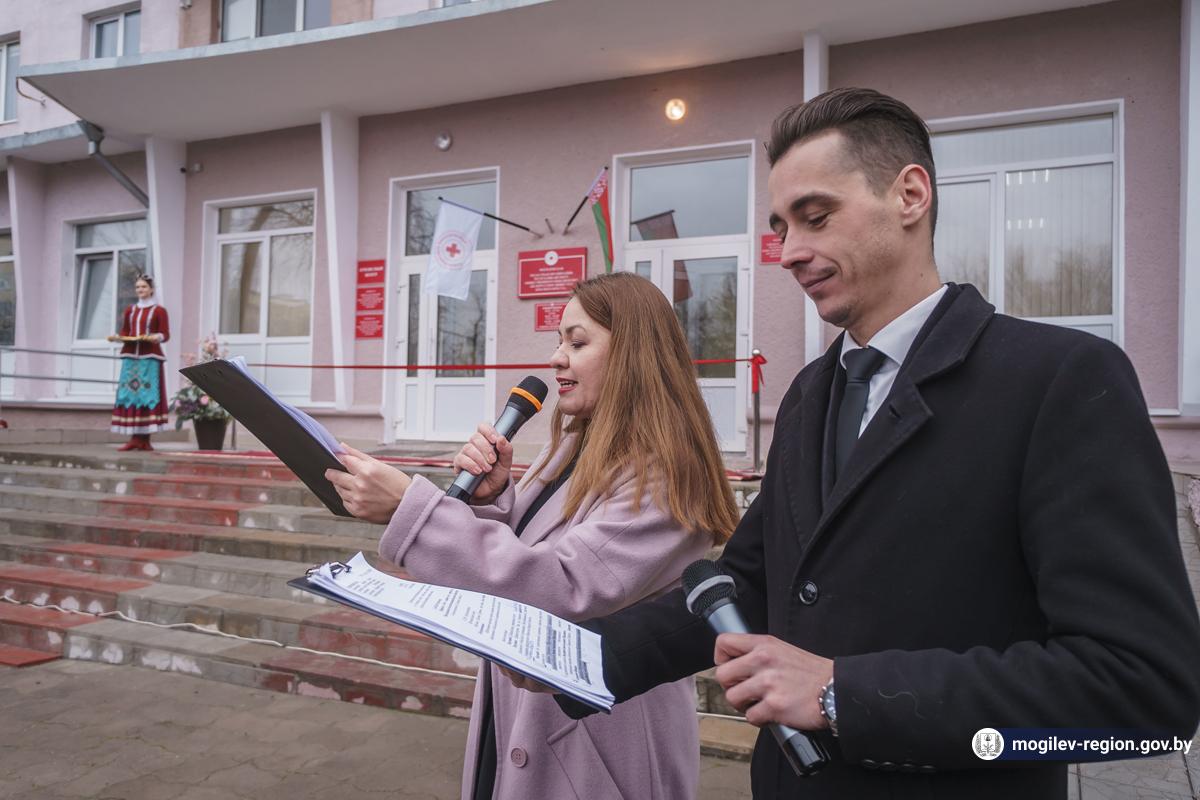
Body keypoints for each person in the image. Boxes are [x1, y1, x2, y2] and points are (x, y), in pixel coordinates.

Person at [543, 88, 1200, 799]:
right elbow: (750, 586)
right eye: (781, 227)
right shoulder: (808, 395)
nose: (790, 253)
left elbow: (1145, 700)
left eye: (817, 217)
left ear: (910, 195)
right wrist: (576, 658)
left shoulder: (1058, 380)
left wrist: (843, 696)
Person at [325, 272, 740, 800]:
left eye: (577, 342)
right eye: (559, 340)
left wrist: (413, 509)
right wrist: (493, 500)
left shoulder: (667, 475)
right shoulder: (570, 445)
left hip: (600, 752)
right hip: (520, 718)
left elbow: (560, 589)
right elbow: (523, 559)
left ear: (634, 354)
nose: (556, 358)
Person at [107, 273, 169, 451]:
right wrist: (118, 337)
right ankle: (134, 438)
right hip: (130, 358)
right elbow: (125, 332)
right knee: (130, 394)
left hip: (150, 358)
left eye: (143, 287)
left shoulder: (159, 311)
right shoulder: (130, 310)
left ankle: (145, 439)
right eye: (138, 287)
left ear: (151, 289)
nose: (140, 290)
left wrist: (156, 337)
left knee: (147, 395)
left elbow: (165, 334)